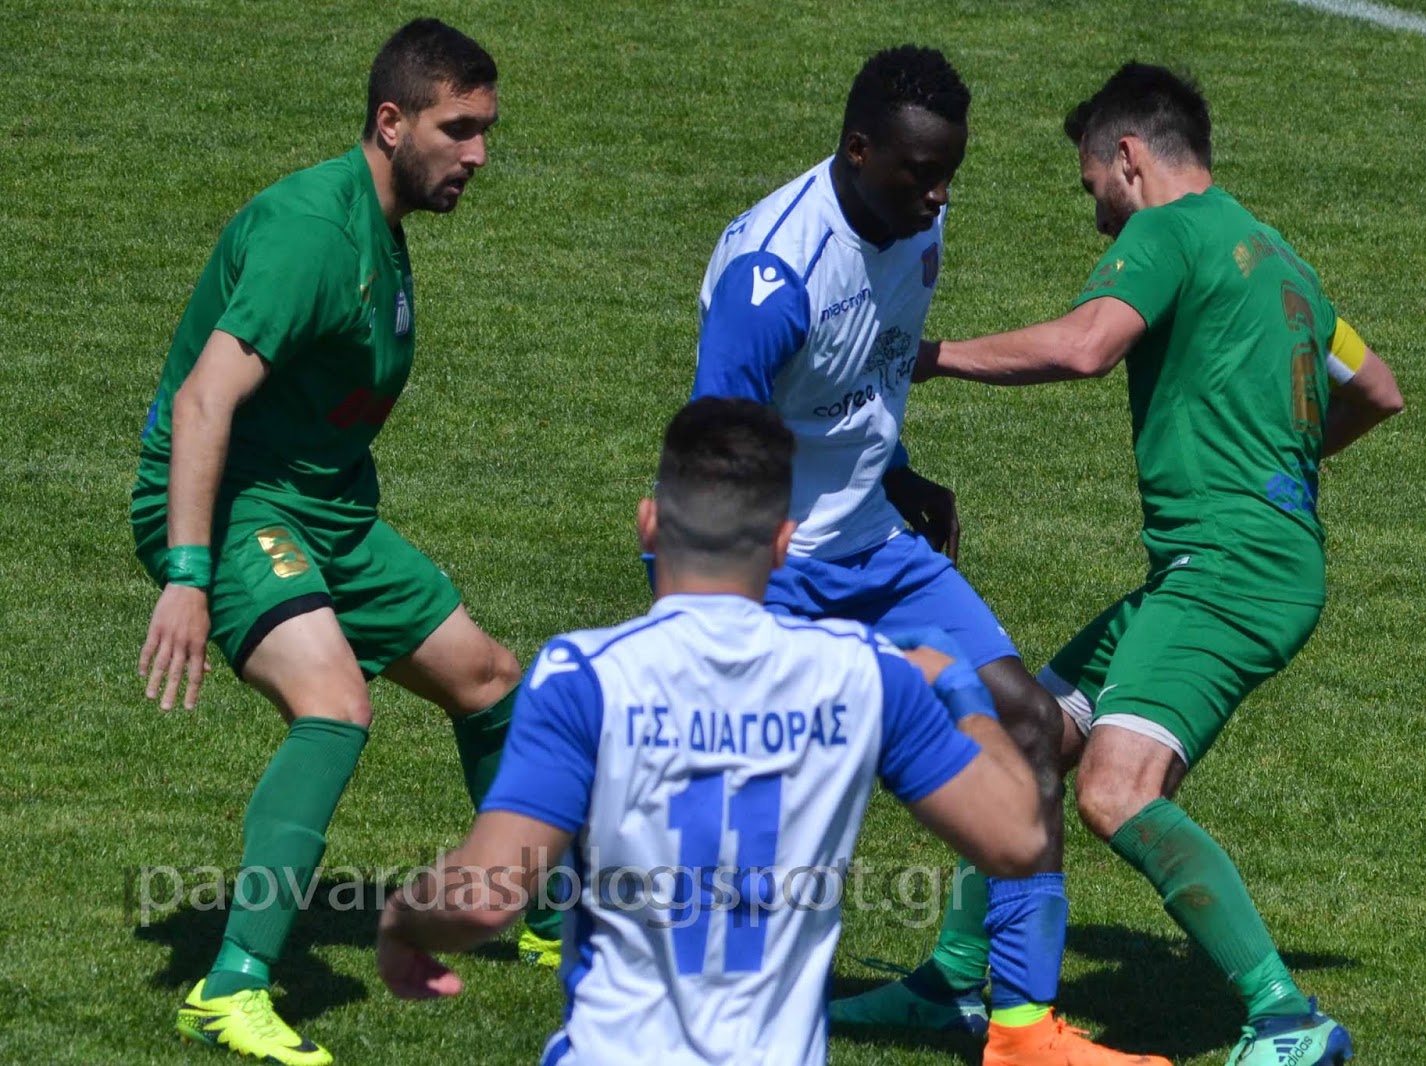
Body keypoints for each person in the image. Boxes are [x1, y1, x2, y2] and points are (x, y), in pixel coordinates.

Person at [912, 63, 1404, 1066]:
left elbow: (1086, 346)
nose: (1096, 212)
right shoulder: (1281, 259)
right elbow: (1377, 389)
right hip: (1232, 562)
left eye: (1092, 182)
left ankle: (1286, 1017)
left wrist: (927, 355)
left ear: (1129, 157)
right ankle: (950, 984)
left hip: (1227, 569)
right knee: (1025, 740)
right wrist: (1281, 476)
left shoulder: (1166, 231)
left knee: (1116, 790)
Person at [690, 45, 1159, 1066]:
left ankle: (1023, 1030)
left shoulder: (915, 219)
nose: (939, 194)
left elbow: (867, 366)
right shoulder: (773, 276)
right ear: (859, 151)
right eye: (919, 174)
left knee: (1025, 728)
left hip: (874, 544)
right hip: (773, 563)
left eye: (949, 171)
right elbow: (712, 451)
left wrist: (896, 471)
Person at [374, 397, 1047, 1065]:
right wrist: (962, 691)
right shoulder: (864, 676)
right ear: (782, 543)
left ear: (649, 524)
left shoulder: (584, 677)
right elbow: (1017, 840)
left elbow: (486, 896)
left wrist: (403, 919)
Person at [129, 19, 548, 1065]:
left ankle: (542, 913)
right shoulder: (312, 234)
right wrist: (187, 573)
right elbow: (203, 400)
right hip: (236, 505)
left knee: (489, 679)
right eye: (458, 130)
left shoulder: (381, 224)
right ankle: (229, 988)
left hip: (326, 509)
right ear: (391, 121)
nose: (478, 154)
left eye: (487, 132)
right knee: (336, 704)